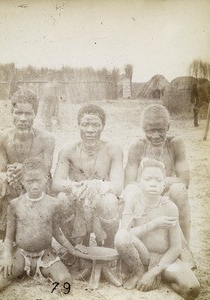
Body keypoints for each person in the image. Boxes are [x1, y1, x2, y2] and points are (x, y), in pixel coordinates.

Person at [0, 158, 87, 294]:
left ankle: (42, 276)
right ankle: (20, 272)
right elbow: (9, 237)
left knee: (65, 284)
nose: (34, 186)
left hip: (46, 255)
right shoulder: (15, 204)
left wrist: (72, 249)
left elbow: (56, 232)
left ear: (46, 179)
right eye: (29, 181)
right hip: (21, 255)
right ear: (22, 181)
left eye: (38, 181)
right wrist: (7, 256)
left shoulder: (53, 204)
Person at [0, 89, 55, 272]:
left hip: (37, 183)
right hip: (12, 180)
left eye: (28, 113)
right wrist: (8, 175)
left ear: (35, 114)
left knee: (39, 185)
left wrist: (24, 170)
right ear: (12, 113)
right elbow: (1, 170)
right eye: (18, 112)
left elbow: (46, 170)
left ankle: (31, 244)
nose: (23, 118)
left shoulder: (47, 139)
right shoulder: (2, 138)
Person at [115, 158, 200, 299]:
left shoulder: (170, 207)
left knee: (192, 289)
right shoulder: (133, 201)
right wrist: (154, 224)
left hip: (164, 259)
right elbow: (125, 233)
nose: (153, 184)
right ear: (139, 180)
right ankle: (138, 272)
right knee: (121, 236)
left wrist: (153, 272)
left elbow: (175, 248)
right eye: (148, 179)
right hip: (141, 256)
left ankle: (160, 277)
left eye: (158, 180)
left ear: (164, 184)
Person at [52, 104, 124, 248]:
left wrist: (97, 185)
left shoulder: (113, 149)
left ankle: (108, 246)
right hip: (78, 195)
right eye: (85, 124)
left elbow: (117, 187)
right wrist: (76, 185)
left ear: (103, 126)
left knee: (110, 200)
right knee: (61, 199)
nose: (90, 130)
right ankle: (75, 246)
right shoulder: (68, 150)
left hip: (103, 200)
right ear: (78, 125)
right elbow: (56, 183)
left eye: (96, 125)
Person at [124, 104, 191, 243]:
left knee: (180, 190)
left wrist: (155, 183)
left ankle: (186, 250)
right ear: (143, 130)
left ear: (168, 127)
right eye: (150, 131)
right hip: (143, 198)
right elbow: (129, 184)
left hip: (167, 198)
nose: (155, 136)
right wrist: (149, 189)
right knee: (131, 193)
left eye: (160, 130)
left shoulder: (175, 144)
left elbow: (184, 181)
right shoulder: (137, 146)